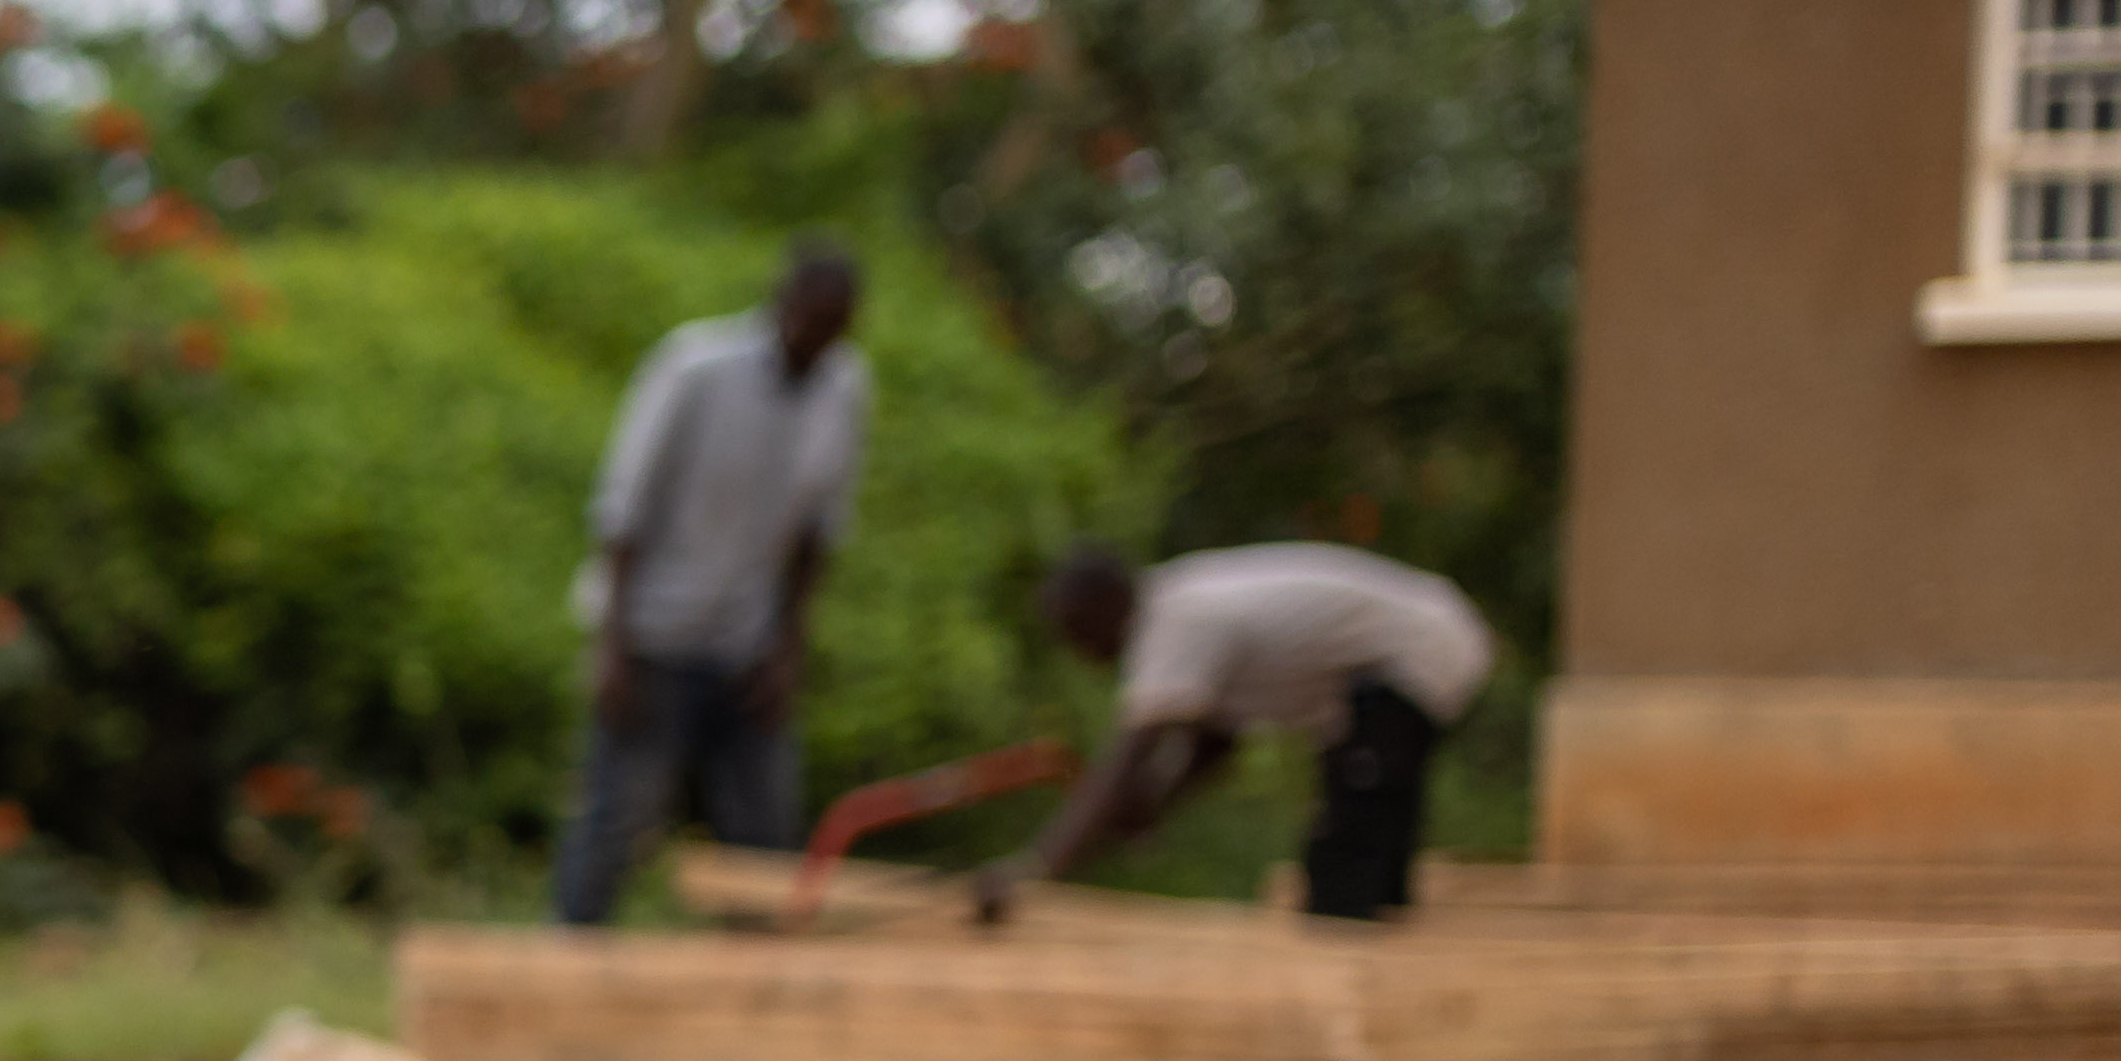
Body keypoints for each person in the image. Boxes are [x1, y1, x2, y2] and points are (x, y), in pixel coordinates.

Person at [547, 238, 870, 927]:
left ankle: (755, 995)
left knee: (763, 840)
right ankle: (568, 960)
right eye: (812, 319)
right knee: (617, 821)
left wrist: (788, 651)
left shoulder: (845, 389)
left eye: (836, 326)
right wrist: (613, 646)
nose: (820, 339)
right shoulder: (695, 367)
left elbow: (817, 536)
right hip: (653, 633)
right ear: (783, 305)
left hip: (746, 643)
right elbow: (622, 510)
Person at [976, 539, 1498, 928]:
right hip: (1419, 649)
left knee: (1349, 844)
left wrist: (1034, 869)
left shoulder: (1176, 623)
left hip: (1415, 656)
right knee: (1369, 818)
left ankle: (1352, 975)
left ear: (1107, 605)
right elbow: (1217, 745)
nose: (1081, 652)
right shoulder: (1177, 607)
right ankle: (1380, 933)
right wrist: (1153, 807)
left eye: (1078, 632)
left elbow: (1126, 761)